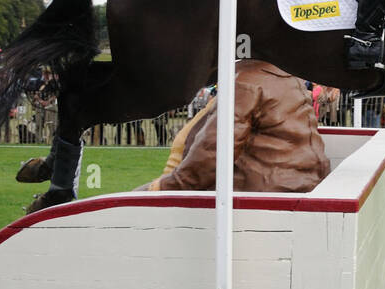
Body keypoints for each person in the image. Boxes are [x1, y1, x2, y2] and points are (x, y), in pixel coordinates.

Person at [136, 61, 330, 193]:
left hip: (265, 199)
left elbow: (207, 160)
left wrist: (156, 189)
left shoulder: (246, 82)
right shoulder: (285, 77)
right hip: (288, 189)